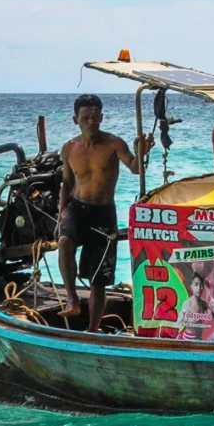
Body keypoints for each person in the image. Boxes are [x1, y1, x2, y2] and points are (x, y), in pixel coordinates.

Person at [57, 93, 153, 331]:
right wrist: (61, 213)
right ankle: (72, 298)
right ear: (75, 120)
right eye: (86, 117)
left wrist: (141, 152)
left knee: (98, 277)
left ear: (101, 118)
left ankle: (93, 329)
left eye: (95, 117)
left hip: (103, 212)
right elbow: (67, 183)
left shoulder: (113, 143)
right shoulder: (69, 149)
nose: (91, 121)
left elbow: (135, 169)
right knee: (64, 241)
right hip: (76, 208)